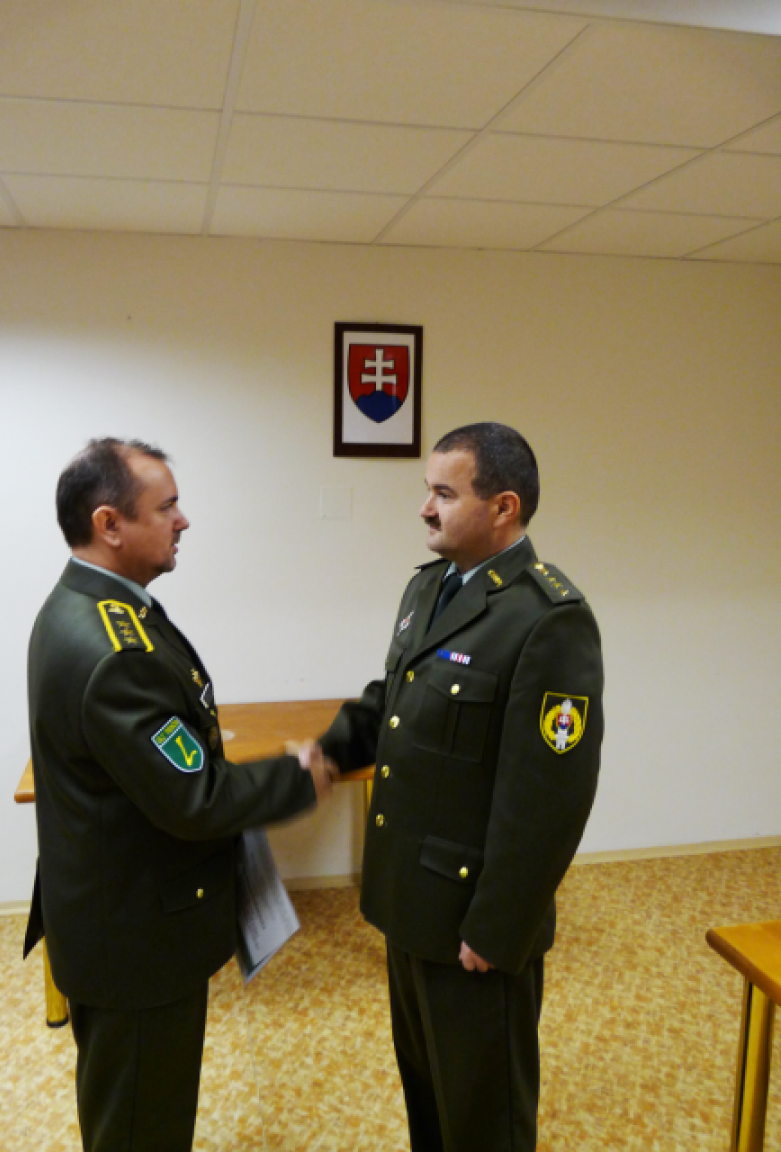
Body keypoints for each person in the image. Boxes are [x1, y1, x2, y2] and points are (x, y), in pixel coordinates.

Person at [23, 437, 331, 1152]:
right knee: (141, 1127)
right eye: (166, 507)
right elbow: (196, 799)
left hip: (114, 913)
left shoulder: (87, 606)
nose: (183, 520)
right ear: (109, 524)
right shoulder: (112, 651)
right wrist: (298, 777)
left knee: (133, 1114)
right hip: (136, 941)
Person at [317, 422, 604, 1152]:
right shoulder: (429, 588)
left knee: (483, 1121)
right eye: (428, 490)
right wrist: (323, 754)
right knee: (429, 1101)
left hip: (474, 926)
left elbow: (548, 800)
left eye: (444, 494)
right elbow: (392, 701)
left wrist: (498, 927)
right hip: (410, 905)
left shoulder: (549, 620)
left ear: (503, 507)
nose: (425, 508)